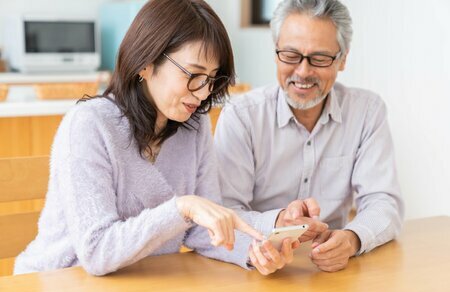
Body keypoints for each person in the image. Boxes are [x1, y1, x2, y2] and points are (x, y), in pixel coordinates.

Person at [13, 0, 304, 276]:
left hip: (140, 281)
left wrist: (259, 246)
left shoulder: (193, 124)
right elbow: (97, 251)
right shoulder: (89, 124)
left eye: (212, 78)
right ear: (146, 63)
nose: (203, 93)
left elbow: (203, 229)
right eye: (194, 74)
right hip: (60, 281)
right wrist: (182, 208)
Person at [214, 0, 404, 272]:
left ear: (343, 59)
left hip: (331, 271)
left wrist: (352, 239)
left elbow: (383, 202)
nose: (303, 72)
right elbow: (224, 211)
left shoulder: (367, 112)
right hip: (255, 267)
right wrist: (276, 223)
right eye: (290, 55)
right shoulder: (241, 116)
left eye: (320, 58)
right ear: (276, 52)